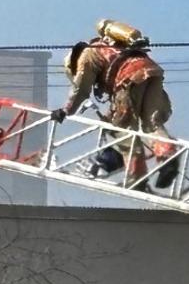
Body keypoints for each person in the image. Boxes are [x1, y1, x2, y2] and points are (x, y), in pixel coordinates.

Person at [52, 20, 178, 189]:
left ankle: (137, 178)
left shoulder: (86, 56)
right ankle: (168, 158)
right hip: (151, 72)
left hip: (127, 79)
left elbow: (81, 89)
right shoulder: (112, 44)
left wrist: (66, 110)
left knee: (123, 131)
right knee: (152, 123)